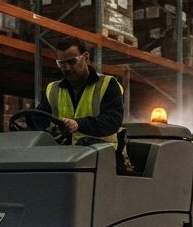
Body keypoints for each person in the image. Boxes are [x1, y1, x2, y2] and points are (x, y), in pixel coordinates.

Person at [34, 36, 131, 169]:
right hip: (65, 160)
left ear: (85, 57)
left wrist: (79, 124)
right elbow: (39, 119)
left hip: (104, 159)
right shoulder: (53, 90)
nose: (66, 68)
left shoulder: (108, 84)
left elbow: (112, 121)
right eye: (61, 64)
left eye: (72, 62)